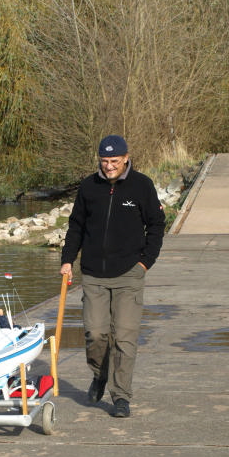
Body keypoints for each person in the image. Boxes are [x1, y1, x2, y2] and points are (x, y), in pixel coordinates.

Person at [60, 135, 165, 418]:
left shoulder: (142, 186)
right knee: (96, 334)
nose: (109, 167)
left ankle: (121, 397)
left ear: (126, 158)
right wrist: (68, 260)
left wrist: (144, 263)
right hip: (93, 273)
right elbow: (76, 226)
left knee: (125, 338)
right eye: (104, 161)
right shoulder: (88, 186)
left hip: (129, 273)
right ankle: (99, 375)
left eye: (114, 161)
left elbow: (156, 225)